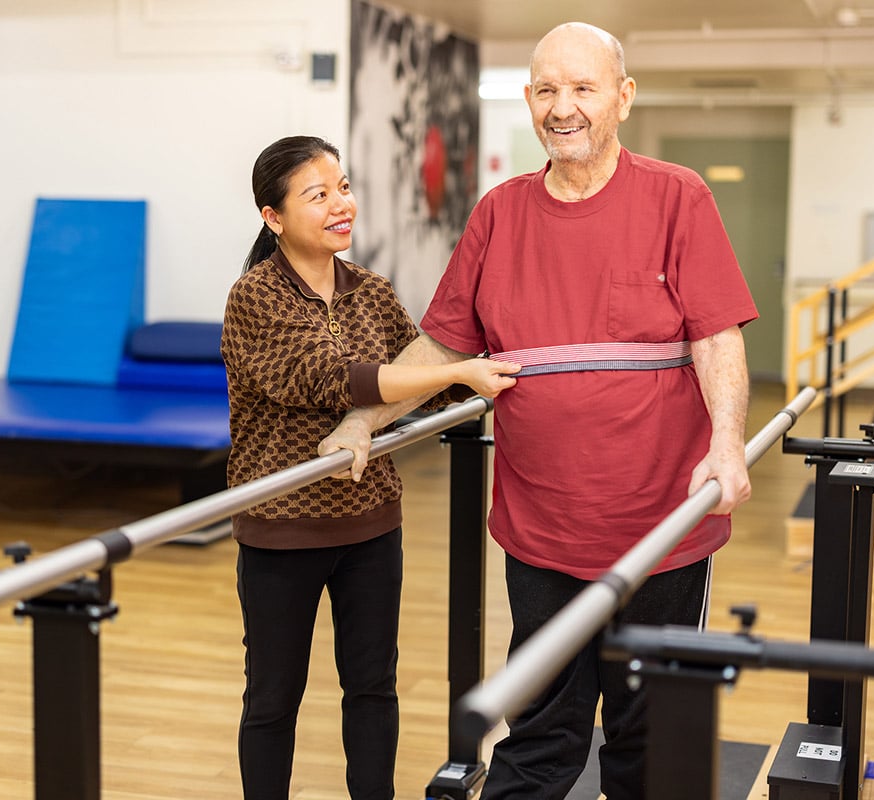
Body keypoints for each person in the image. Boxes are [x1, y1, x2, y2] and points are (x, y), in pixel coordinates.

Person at [319, 23, 758, 800]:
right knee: (543, 730)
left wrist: (727, 443)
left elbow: (715, 335)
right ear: (528, 100)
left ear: (622, 98)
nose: (564, 108)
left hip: (660, 527)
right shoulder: (500, 213)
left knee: (644, 733)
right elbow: (441, 345)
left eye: (583, 88)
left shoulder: (676, 195)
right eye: (547, 90)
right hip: (543, 529)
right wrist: (364, 424)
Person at [221, 134, 519, 800]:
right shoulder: (256, 297)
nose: (340, 205)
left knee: (373, 688)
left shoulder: (370, 291)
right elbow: (327, 379)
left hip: (369, 523)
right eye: (317, 194)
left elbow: (421, 379)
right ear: (272, 217)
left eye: (344, 188)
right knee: (273, 697)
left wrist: (472, 359)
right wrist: (454, 369)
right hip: (282, 528)